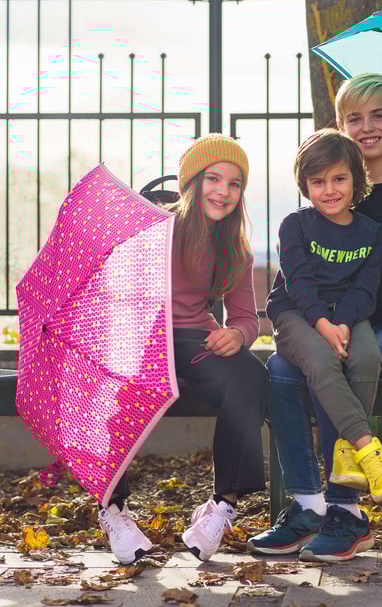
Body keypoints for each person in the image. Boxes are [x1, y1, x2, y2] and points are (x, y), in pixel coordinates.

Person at [248, 73, 382, 562]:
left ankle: (347, 511)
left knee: (338, 360)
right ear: (340, 126)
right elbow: (298, 277)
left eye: (378, 115)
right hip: (344, 324)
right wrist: (318, 318)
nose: (367, 127)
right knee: (281, 367)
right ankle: (307, 506)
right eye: (354, 117)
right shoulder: (334, 188)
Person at [98, 134, 269, 565]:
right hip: (142, 342)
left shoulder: (235, 248)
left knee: (251, 375)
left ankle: (222, 506)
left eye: (234, 184)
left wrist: (238, 335)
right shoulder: (155, 229)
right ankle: (113, 509)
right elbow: (117, 296)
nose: (224, 191)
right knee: (113, 386)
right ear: (192, 182)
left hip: (197, 345)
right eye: (213, 179)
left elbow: (247, 318)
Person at [265, 128, 382, 508]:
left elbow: (365, 289)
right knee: (322, 358)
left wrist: (343, 323)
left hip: (347, 315)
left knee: (367, 356)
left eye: (339, 179)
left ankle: (344, 452)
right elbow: (299, 282)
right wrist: (323, 324)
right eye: (318, 181)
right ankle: (368, 450)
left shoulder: (371, 232)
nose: (329, 190)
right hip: (295, 314)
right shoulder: (295, 225)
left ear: (355, 179)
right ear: (305, 185)